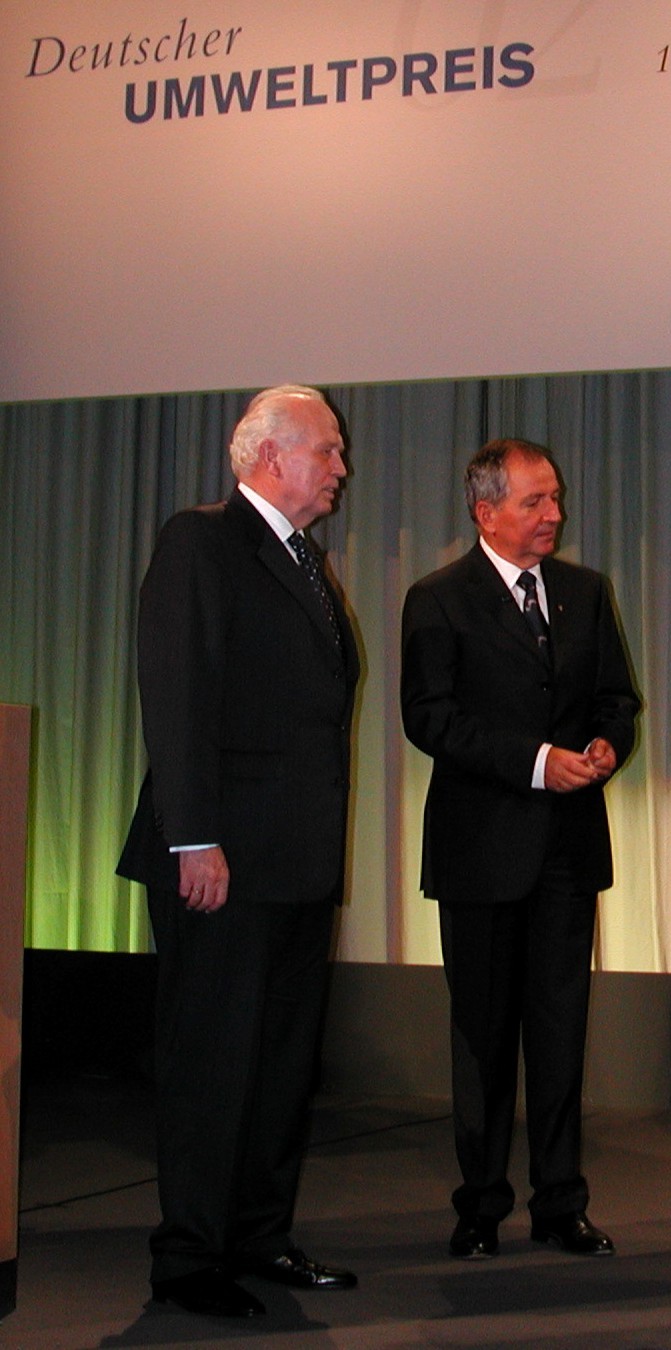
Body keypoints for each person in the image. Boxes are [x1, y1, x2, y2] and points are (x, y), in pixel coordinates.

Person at [117, 385, 359, 1319]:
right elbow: (175, 690)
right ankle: (189, 1259)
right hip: (221, 860)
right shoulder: (203, 541)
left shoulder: (303, 559)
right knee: (213, 1062)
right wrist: (193, 836)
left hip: (294, 861)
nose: (340, 468)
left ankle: (260, 1236)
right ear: (269, 456)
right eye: (327, 450)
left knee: (281, 1064)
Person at [401, 438, 639, 1263]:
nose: (554, 515)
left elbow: (619, 699)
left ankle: (560, 1203)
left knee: (561, 1032)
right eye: (535, 501)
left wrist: (607, 745)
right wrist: (538, 763)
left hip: (568, 852)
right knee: (483, 1038)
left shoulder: (584, 592)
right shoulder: (438, 599)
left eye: (555, 498)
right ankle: (480, 1205)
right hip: (480, 851)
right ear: (486, 511)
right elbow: (429, 717)